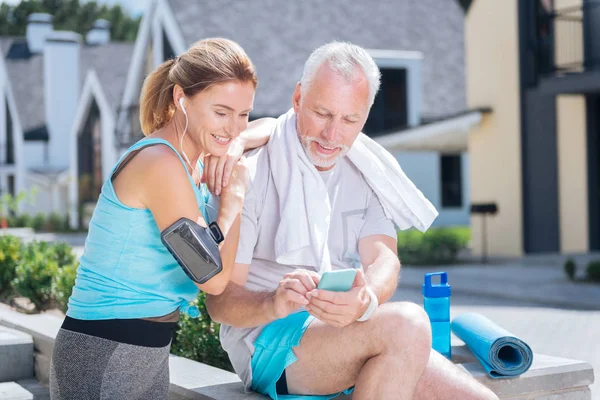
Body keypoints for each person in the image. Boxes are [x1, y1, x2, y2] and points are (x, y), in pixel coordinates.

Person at [206, 42, 499, 400]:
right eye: (322, 113)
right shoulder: (249, 173)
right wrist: (273, 301)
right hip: (268, 343)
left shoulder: (365, 170)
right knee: (407, 324)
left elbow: (384, 260)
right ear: (297, 98)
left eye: (349, 120)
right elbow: (220, 304)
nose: (333, 135)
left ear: (366, 115)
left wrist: (366, 298)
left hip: (348, 332)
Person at [50, 38, 271, 400]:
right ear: (181, 98)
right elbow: (212, 279)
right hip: (104, 353)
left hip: (146, 352)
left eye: (243, 113)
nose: (233, 127)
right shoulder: (161, 164)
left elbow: (274, 125)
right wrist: (235, 200)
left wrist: (238, 144)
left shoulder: (193, 161)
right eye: (221, 112)